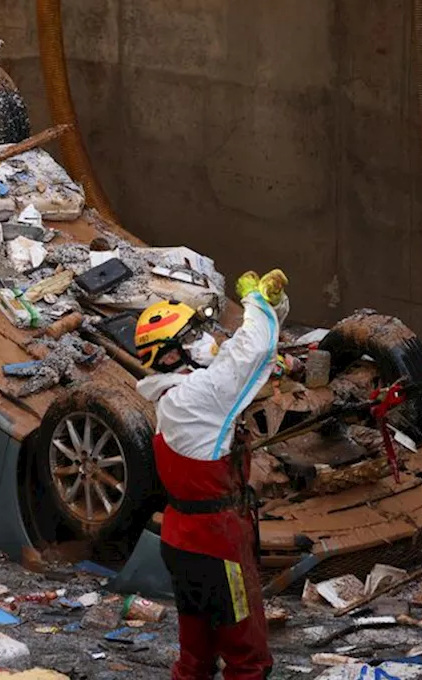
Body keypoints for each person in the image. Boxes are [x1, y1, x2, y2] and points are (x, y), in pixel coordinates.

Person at [134, 269, 289, 680]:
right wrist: (256, 303)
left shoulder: (177, 396)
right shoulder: (195, 397)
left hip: (184, 539)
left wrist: (273, 306)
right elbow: (250, 353)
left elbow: (242, 357)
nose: (204, 340)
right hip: (217, 541)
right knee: (247, 655)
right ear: (169, 356)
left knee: (196, 654)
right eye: (191, 336)